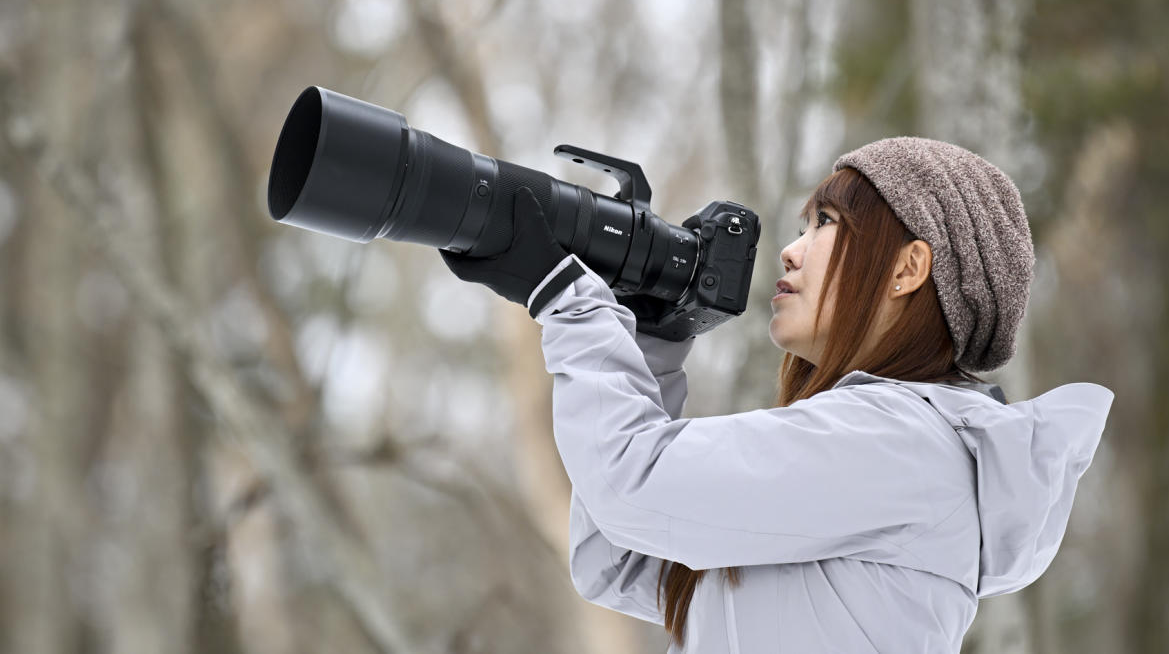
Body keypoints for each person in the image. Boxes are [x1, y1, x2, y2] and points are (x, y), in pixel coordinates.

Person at [440, 136, 1115, 653]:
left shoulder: (900, 446)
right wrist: (653, 337)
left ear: (908, 269)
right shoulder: (871, 453)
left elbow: (630, 486)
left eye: (827, 224)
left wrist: (565, 297)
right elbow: (615, 562)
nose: (792, 251)